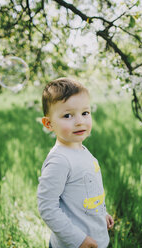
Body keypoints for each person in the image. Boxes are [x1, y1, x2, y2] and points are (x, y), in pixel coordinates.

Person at [37, 78, 114, 248]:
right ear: (48, 123)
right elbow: (47, 206)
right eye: (68, 115)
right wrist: (78, 239)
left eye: (85, 113)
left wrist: (102, 213)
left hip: (96, 238)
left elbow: (87, 190)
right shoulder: (59, 161)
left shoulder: (82, 150)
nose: (79, 121)